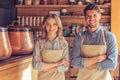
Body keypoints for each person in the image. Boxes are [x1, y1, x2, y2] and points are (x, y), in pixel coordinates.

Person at [71, 4, 118, 80]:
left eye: (94, 15)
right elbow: (74, 62)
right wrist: (98, 59)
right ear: (85, 18)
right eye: (88, 16)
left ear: (99, 16)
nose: (91, 19)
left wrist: (86, 64)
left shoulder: (109, 37)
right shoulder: (79, 37)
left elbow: (112, 64)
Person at [32, 14, 69, 80]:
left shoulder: (64, 43)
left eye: (54, 24)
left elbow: (65, 67)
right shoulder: (39, 43)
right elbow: (36, 65)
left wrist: (44, 67)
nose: (51, 27)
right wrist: (58, 63)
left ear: (58, 26)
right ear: (45, 26)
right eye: (48, 24)